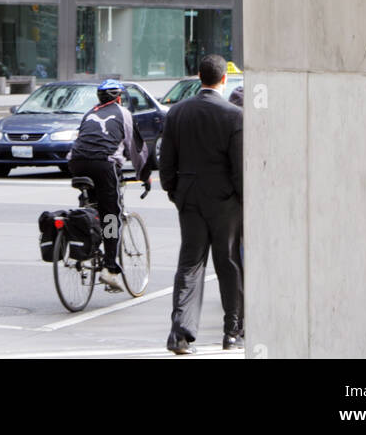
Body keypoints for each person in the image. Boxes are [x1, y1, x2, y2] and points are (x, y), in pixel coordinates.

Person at [159, 53, 243, 354]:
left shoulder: (178, 113)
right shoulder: (234, 115)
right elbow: (239, 167)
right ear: (224, 79)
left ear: (198, 76)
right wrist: (240, 199)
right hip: (225, 202)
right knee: (228, 264)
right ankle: (231, 333)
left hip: (190, 197)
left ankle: (180, 334)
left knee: (190, 265)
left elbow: (165, 162)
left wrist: (175, 192)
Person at [68, 79, 152, 291]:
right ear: (119, 98)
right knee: (111, 215)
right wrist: (145, 174)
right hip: (104, 165)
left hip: (76, 163)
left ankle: (87, 239)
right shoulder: (123, 114)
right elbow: (136, 148)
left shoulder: (89, 114)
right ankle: (110, 268)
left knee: (91, 206)